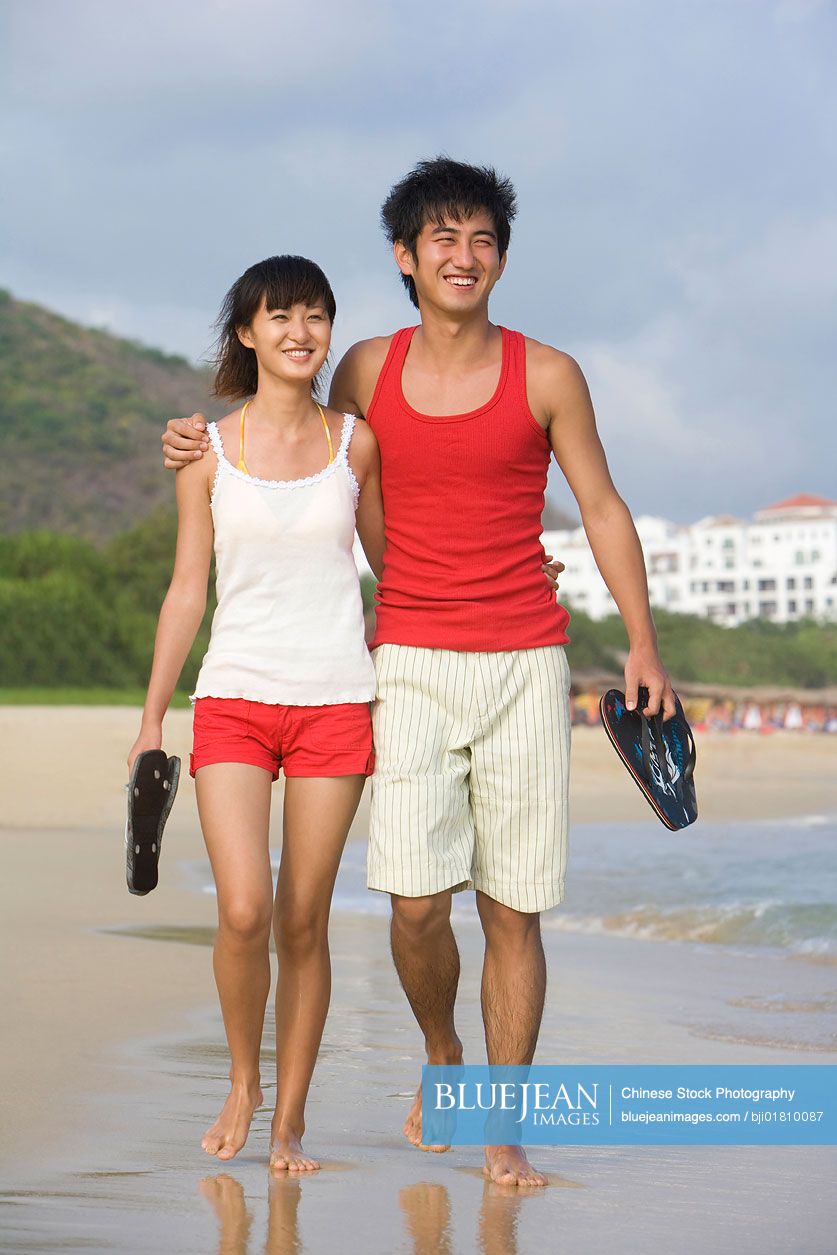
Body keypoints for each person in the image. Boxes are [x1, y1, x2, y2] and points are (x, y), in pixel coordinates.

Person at [162, 158, 675, 1187]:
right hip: (401, 659)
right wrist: (189, 438)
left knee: (513, 908)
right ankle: (443, 1052)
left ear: (500, 258)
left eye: (482, 238)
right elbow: (283, 428)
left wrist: (642, 640)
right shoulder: (363, 370)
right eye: (442, 237)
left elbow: (606, 508)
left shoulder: (548, 374)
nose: (463, 255)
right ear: (405, 256)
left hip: (527, 658)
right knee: (413, 908)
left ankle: (496, 1124)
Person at [130, 254, 385, 1171]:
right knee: (243, 909)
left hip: (334, 704)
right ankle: (244, 1078)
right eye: (279, 315)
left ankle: (289, 1118)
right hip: (234, 696)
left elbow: (396, 573)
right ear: (246, 331)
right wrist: (154, 719)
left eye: (315, 315)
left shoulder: (355, 444)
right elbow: (186, 589)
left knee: (303, 919)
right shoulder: (205, 452)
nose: (300, 331)